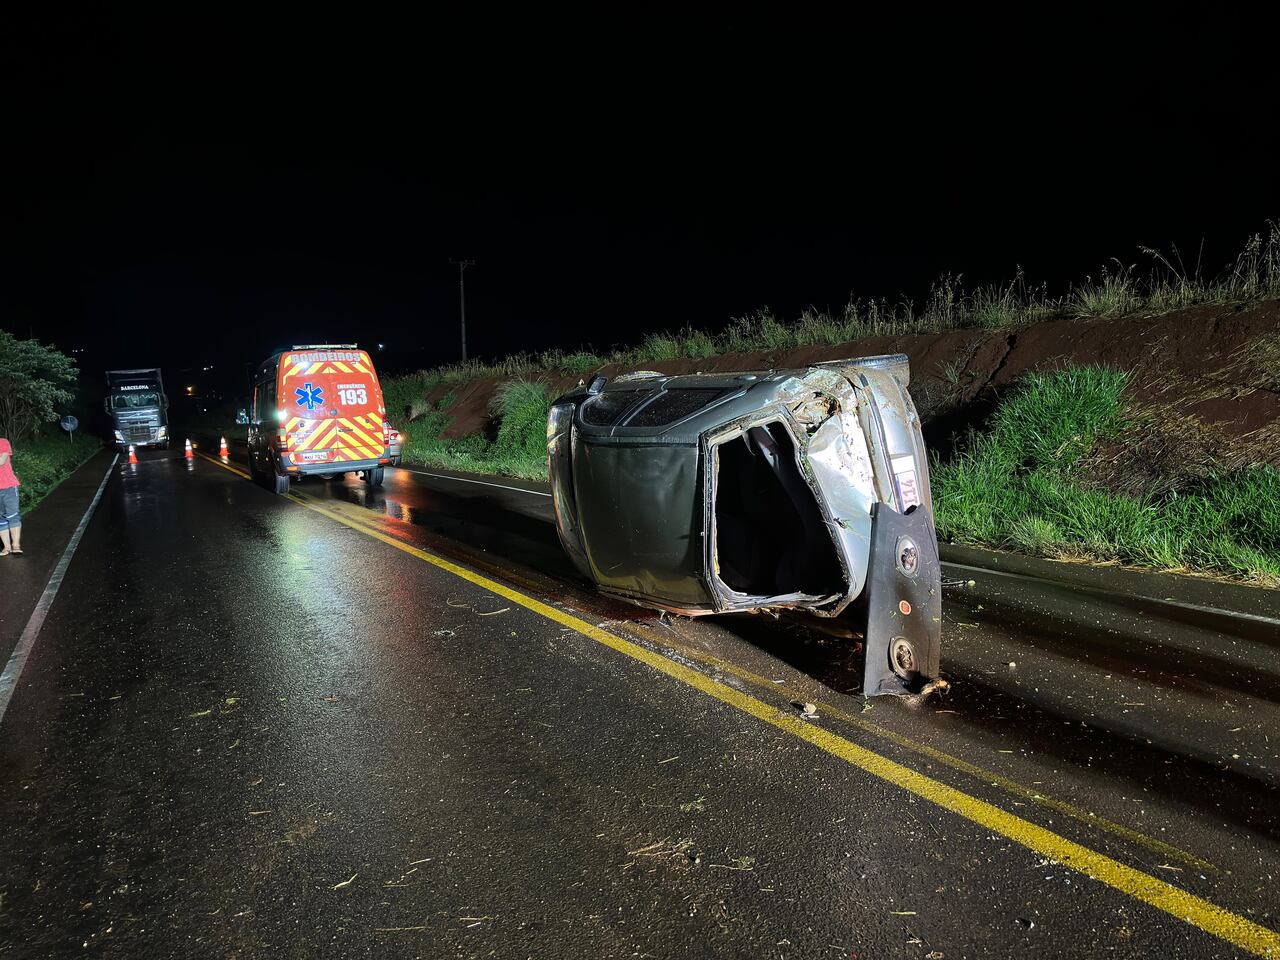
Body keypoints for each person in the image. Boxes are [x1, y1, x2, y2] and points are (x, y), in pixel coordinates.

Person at [0, 436, 21, 556]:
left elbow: (2, 461)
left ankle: (16, 545)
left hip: (9, 487)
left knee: (13, 515)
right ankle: (6, 547)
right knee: (0, 519)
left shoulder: (3, 442)